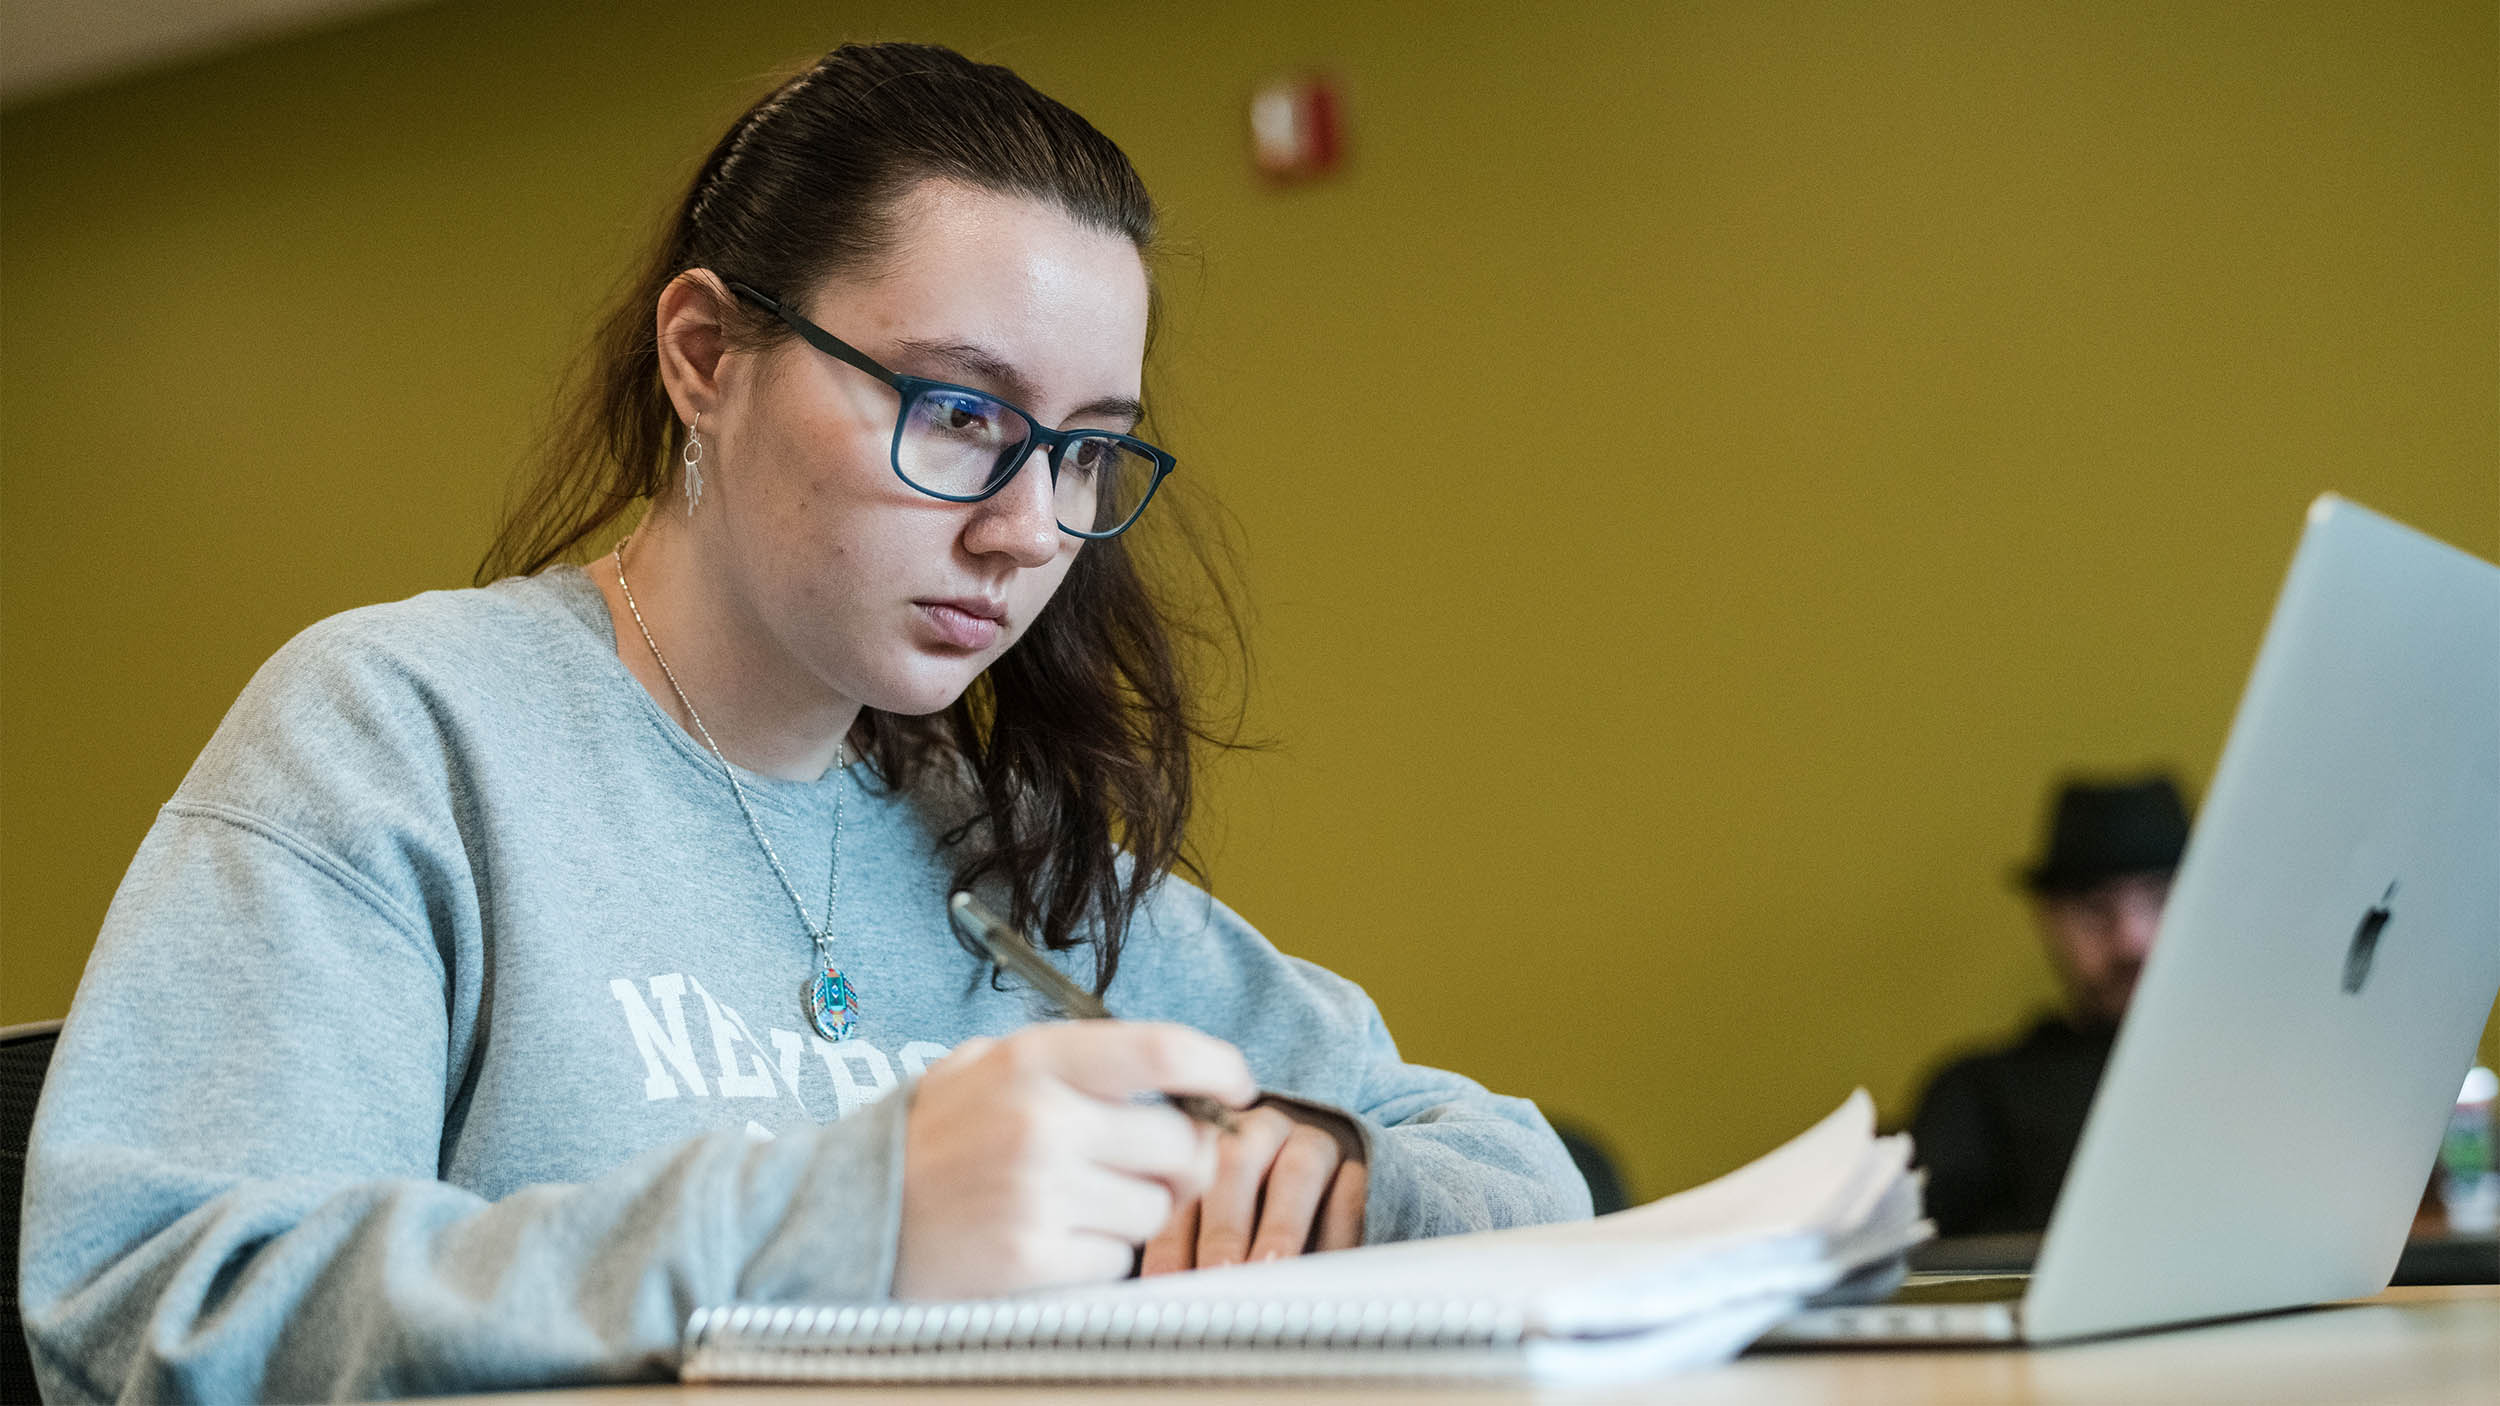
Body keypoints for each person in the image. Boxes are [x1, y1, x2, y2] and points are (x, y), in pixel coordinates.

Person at [18, 44, 1590, 1403]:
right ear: (704, 355)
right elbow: (157, 1305)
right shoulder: (403, 733)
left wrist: (1346, 1180)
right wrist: (850, 1223)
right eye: (960, 412)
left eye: (1085, 450)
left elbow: (1529, 1176)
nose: (1030, 528)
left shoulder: (995, 840)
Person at [1909, 774, 2191, 1236]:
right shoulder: (1979, 1096)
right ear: (2049, 921)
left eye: (2161, 898)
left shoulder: (2275, 1072)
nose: (2131, 940)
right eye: (2096, 909)